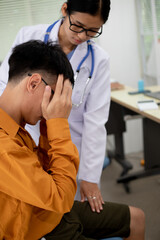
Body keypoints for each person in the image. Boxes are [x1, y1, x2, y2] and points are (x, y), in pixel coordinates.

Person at [0, 40, 145, 240]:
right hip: (35, 225)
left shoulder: (18, 127)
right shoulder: (3, 146)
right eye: (55, 96)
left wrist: (48, 128)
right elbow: (61, 197)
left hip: (49, 212)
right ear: (33, 83)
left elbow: (46, 174)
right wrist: (58, 123)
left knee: (137, 218)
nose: (57, 105)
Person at [0, 0, 111, 213]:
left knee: (65, 206)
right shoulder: (29, 36)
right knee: (27, 205)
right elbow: (7, 85)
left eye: (92, 31)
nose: (81, 36)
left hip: (71, 143)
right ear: (64, 9)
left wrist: (89, 176)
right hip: (26, 138)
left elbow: (96, 121)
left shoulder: (99, 60)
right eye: (77, 26)